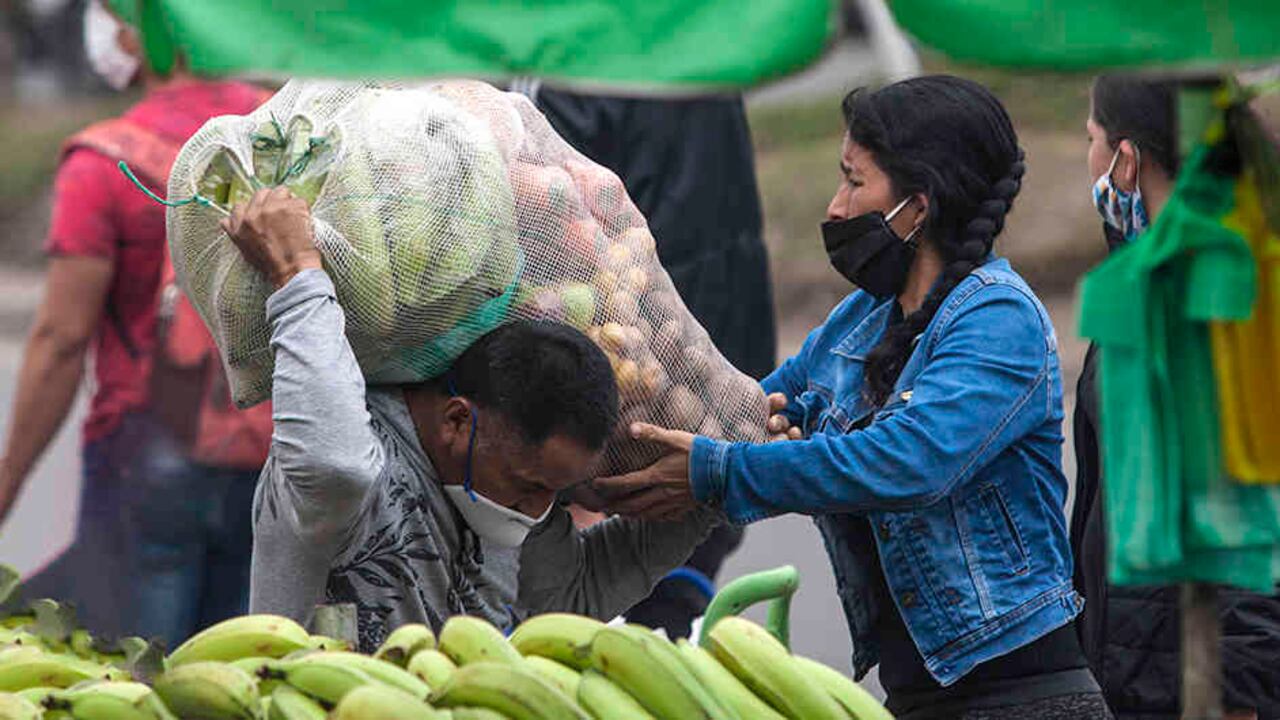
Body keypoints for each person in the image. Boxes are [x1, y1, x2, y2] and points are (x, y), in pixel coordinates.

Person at [595, 75, 1112, 719]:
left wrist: (718, 469)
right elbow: (747, 412)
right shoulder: (860, 321)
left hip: (1022, 698)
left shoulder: (998, 318)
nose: (836, 208)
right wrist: (624, 399)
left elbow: (902, 462)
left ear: (917, 206)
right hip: (916, 699)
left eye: (854, 181)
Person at [226, 187, 723, 651]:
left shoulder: (507, 486)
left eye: (557, 493)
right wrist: (297, 272)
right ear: (458, 421)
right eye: (531, 487)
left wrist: (726, 471)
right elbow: (333, 466)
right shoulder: (359, 458)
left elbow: (572, 591)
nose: (536, 510)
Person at [0, 0, 270, 643]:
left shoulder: (105, 163)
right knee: (237, 671)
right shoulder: (277, 134)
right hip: (271, 456)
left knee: (135, 675)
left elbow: (62, 340)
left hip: (143, 458)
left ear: (138, 29)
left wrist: (10, 478)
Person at [515, 79, 777, 639]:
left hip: (636, 386)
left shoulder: (566, 62)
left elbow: (544, 217)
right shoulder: (695, 38)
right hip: (702, 351)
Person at [1071, 74, 1280, 720]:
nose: (1090, 160)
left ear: (1126, 160)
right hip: (1146, 674)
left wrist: (1237, 697)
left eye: (1092, 140)